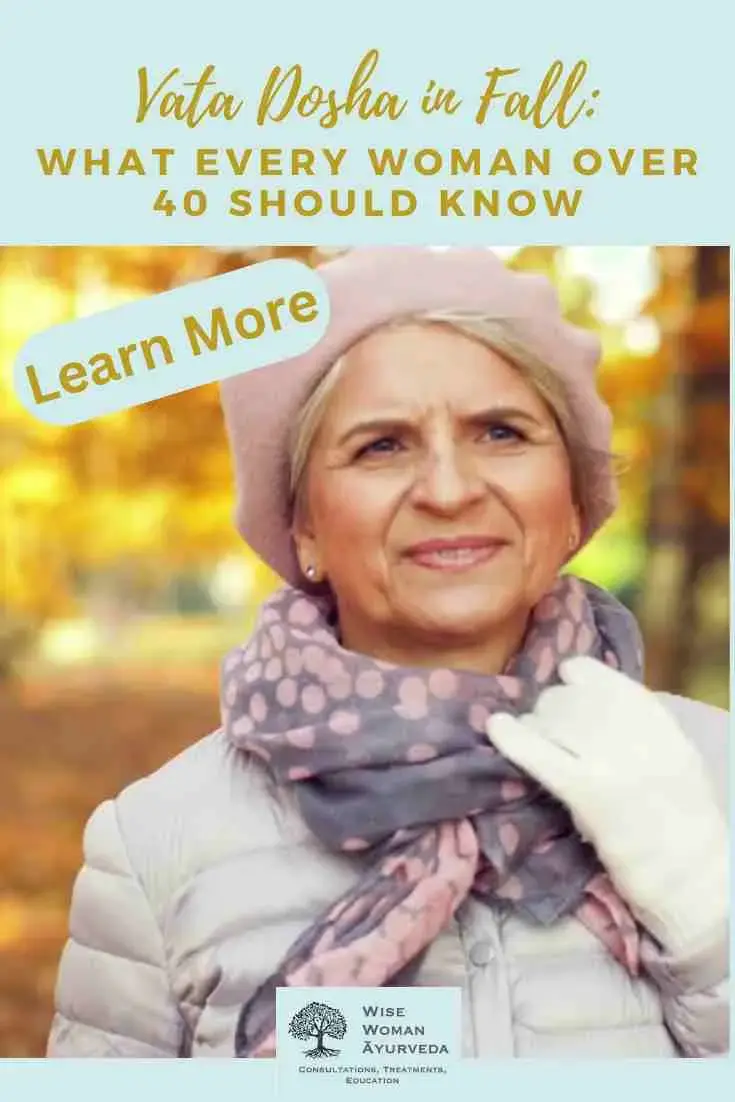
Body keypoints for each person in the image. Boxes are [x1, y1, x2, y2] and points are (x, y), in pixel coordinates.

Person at [47, 246, 729, 1060]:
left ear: (573, 501)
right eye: (382, 446)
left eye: (501, 432)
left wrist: (709, 931)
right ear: (303, 527)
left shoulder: (713, 777)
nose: (447, 490)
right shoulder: (155, 844)